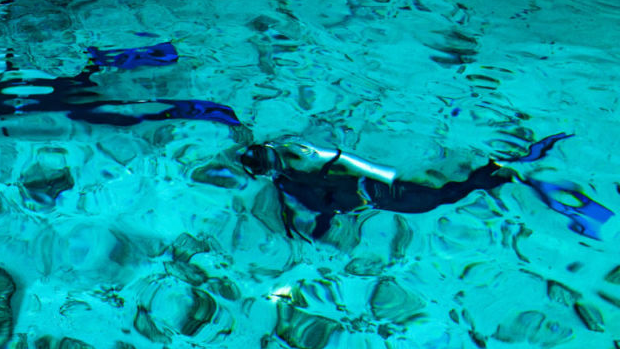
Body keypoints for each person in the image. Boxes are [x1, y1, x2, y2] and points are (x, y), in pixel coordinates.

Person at [239, 133, 612, 240]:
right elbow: (330, 189)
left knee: (456, 190)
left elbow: (327, 204)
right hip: (389, 197)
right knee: (456, 190)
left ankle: (507, 170)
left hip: (389, 198)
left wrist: (321, 227)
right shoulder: (294, 181)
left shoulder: (291, 185)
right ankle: (508, 169)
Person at [0, 41, 242, 127]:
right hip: (54, 87)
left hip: (55, 102)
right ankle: (164, 54)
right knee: (95, 72)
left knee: (124, 112)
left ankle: (208, 111)